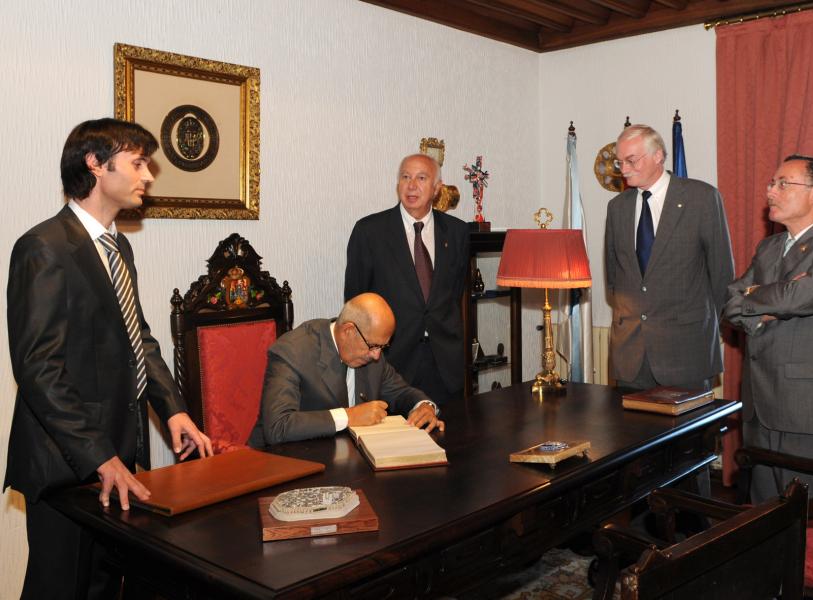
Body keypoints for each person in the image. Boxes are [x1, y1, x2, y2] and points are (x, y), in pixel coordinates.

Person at [5, 118, 213, 599]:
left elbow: (138, 338)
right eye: (138, 163)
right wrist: (100, 457)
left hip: (118, 457)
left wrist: (173, 409)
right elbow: (39, 368)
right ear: (96, 165)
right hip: (66, 466)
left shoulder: (118, 247)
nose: (148, 176)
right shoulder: (43, 248)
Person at [725, 155, 813, 502]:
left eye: (783, 183)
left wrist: (757, 296)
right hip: (759, 402)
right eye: (772, 183)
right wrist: (771, 305)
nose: (770, 191)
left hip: (808, 406)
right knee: (763, 516)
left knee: (810, 518)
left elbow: (800, 299)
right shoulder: (768, 247)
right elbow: (730, 303)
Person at [605, 124, 734, 392]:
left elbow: (721, 272)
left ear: (658, 156)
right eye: (620, 162)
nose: (623, 169)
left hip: (686, 352)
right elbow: (614, 276)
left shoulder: (701, 198)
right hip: (630, 356)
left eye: (631, 160)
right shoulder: (617, 207)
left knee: (692, 434)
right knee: (632, 433)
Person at [344, 154, 469, 405]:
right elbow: (355, 303)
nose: (411, 185)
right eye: (405, 177)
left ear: (436, 188)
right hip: (392, 365)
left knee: (450, 440)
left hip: (444, 364)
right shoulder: (369, 232)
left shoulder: (456, 232)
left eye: (421, 178)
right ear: (397, 184)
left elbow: (454, 292)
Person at [248, 293, 444, 446]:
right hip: (284, 464)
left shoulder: (370, 350)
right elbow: (277, 427)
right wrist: (349, 416)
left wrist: (424, 406)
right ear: (348, 331)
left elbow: (401, 392)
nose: (377, 356)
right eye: (373, 346)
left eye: (382, 348)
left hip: (344, 457)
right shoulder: (292, 351)